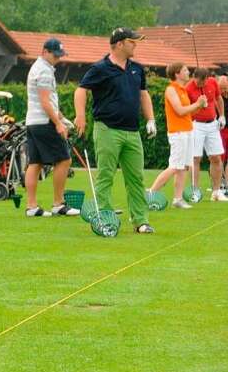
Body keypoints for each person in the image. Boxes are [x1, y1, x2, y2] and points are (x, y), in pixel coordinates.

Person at [73, 27, 157, 234]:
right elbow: (81, 90)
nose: (135, 44)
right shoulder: (100, 68)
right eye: (132, 41)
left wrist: (151, 119)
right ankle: (106, 218)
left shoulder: (137, 68)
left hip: (132, 131)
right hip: (107, 129)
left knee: (136, 178)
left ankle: (140, 221)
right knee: (106, 176)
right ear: (119, 44)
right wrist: (81, 116)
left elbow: (143, 95)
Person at [24, 38, 79, 217]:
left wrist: (63, 119)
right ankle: (58, 204)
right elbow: (45, 102)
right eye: (55, 55)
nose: (58, 59)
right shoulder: (45, 71)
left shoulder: (37, 68)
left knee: (35, 163)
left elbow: (48, 103)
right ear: (45, 51)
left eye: (60, 55)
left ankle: (32, 207)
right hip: (45, 122)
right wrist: (57, 124)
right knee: (64, 160)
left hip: (33, 122)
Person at [148, 63, 206, 208]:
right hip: (178, 133)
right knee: (174, 166)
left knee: (184, 167)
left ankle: (178, 199)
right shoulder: (171, 89)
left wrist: (199, 106)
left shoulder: (183, 90)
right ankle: (150, 193)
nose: (188, 72)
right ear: (177, 74)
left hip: (187, 131)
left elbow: (189, 113)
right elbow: (179, 110)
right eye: (185, 70)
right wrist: (197, 103)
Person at [185, 67, 227, 201]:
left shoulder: (213, 83)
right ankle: (195, 191)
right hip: (196, 124)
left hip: (212, 124)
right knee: (196, 158)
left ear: (207, 79)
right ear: (194, 78)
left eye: (203, 83)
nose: (200, 85)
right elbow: (184, 110)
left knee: (216, 158)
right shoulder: (188, 88)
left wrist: (222, 116)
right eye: (198, 83)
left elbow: (218, 98)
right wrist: (198, 105)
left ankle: (216, 192)